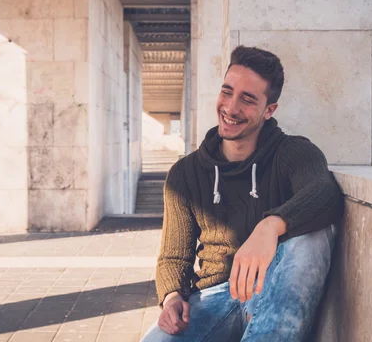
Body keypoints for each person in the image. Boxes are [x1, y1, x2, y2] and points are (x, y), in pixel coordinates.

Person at [141, 46, 343, 342]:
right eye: (227, 92)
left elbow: (325, 194)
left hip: (274, 292)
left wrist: (270, 226)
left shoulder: (293, 153)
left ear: (269, 110)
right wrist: (172, 298)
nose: (231, 108)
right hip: (214, 299)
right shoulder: (185, 174)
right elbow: (174, 256)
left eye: (247, 100)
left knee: (312, 236)